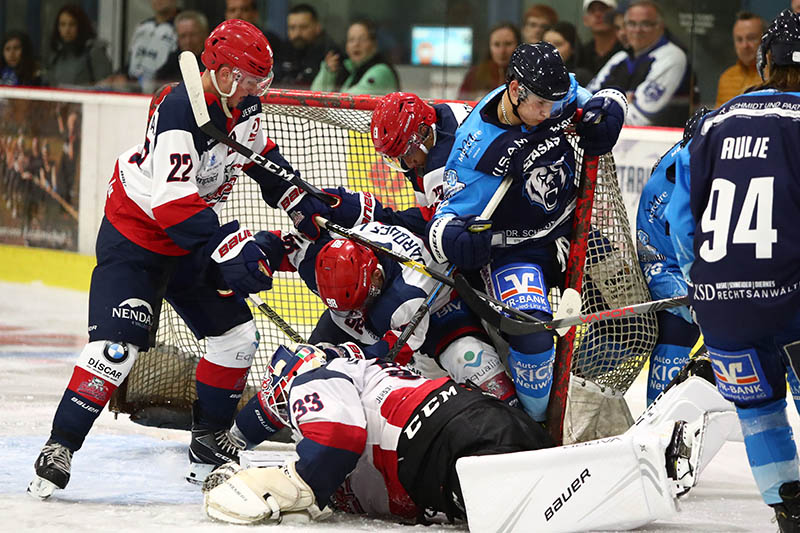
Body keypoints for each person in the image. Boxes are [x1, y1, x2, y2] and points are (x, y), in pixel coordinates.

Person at [26, 19, 317, 499]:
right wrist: (231, 245)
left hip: (186, 240)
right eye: (245, 79)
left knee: (237, 338)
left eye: (258, 82)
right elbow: (174, 207)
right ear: (219, 72)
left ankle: (209, 447)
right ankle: (60, 445)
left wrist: (301, 200)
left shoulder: (241, 105)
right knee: (115, 352)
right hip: (137, 235)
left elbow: (261, 159)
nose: (252, 91)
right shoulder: (180, 107)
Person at [201, 344, 712, 528]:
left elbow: (335, 438)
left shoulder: (313, 376)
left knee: (536, 504)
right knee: (553, 496)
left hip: (442, 445)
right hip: (467, 422)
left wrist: (287, 482)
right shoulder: (360, 369)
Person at [426, 42, 627, 422]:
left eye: (554, 103)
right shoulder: (478, 150)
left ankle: (572, 384)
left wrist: (610, 110)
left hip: (572, 231)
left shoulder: (546, 92)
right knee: (534, 339)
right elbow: (441, 223)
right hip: (516, 252)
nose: (550, 113)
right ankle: (537, 427)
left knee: (629, 317)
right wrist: (454, 238)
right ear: (515, 89)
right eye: (540, 105)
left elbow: (600, 97)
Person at [664, 9, 800, 531]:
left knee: (759, 410)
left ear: (765, 61)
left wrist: (704, 286)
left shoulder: (715, 121)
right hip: (791, 294)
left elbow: (682, 221)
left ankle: (787, 509)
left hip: (723, 309)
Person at [635, 107, 710, 406]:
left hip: (698, 263)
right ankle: (659, 419)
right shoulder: (666, 189)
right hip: (666, 265)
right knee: (678, 328)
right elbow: (659, 257)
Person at [588, 0, 692, 127]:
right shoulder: (620, 58)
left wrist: (597, 108)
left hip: (660, 142)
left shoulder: (672, 56)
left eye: (646, 24)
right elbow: (586, 99)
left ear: (661, 26)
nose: (637, 30)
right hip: (614, 137)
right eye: (631, 24)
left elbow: (639, 119)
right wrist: (625, 100)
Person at [101, 0, 178, 93]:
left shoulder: (182, 28)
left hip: (160, 91)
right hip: (132, 88)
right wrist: (121, 75)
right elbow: (132, 60)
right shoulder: (142, 27)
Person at [310, 18, 399, 95]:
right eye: (351, 40)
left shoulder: (381, 71)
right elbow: (313, 97)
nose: (356, 44)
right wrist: (328, 73)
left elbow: (348, 102)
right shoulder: (347, 69)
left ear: (374, 45)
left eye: (362, 39)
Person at [43, 4, 112, 88]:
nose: (67, 30)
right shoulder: (56, 55)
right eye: (62, 24)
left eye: (72, 24)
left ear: (80, 26)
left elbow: (106, 86)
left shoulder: (94, 52)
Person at [276, 3, 341, 89]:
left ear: (318, 27)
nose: (297, 33)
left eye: (303, 27)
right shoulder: (283, 49)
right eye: (292, 28)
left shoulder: (329, 52)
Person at [457, 22, 520, 101]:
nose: (502, 51)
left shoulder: (524, 75)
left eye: (508, 44)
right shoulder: (475, 74)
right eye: (496, 45)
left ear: (518, 45)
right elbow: (461, 103)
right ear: (489, 47)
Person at [224, 0, 283, 82]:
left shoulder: (270, 41)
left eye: (244, 10)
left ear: (255, 14)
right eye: (232, 10)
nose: (238, 14)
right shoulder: (219, 41)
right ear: (226, 15)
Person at [715, 12, 764, 108]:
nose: (745, 45)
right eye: (739, 39)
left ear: (764, 40)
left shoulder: (774, 77)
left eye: (751, 38)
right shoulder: (726, 78)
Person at [154, 10, 209, 84]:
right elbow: (158, 81)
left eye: (193, 35)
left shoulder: (212, 61)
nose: (188, 41)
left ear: (205, 34)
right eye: (183, 36)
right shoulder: (174, 59)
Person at [577, 0, 624, 79]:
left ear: (616, 16)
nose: (597, 14)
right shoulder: (581, 54)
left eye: (603, 9)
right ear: (585, 20)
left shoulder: (627, 50)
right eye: (592, 11)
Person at [543, 21, 593, 86]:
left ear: (573, 48)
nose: (549, 49)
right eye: (545, 44)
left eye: (558, 44)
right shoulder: (532, 73)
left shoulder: (581, 77)